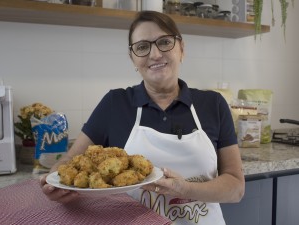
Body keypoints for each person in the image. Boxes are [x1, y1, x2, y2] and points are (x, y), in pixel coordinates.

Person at [40, 10, 245, 225]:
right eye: (142, 47)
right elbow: (69, 162)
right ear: (133, 58)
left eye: (164, 42)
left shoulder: (213, 104)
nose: (155, 54)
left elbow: (236, 188)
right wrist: (55, 183)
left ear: (182, 49)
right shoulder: (115, 103)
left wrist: (183, 188)